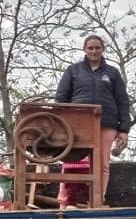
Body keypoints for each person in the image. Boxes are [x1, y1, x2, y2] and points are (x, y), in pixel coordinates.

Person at [54, 34, 130, 208]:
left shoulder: (112, 72)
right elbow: (61, 98)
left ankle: (97, 200)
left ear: (103, 49)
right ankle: (66, 202)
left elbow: (123, 101)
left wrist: (124, 129)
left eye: (97, 48)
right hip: (77, 123)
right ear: (84, 49)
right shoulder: (73, 70)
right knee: (71, 161)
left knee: (102, 164)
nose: (94, 51)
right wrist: (62, 124)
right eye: (90, 48)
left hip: (106, 122)